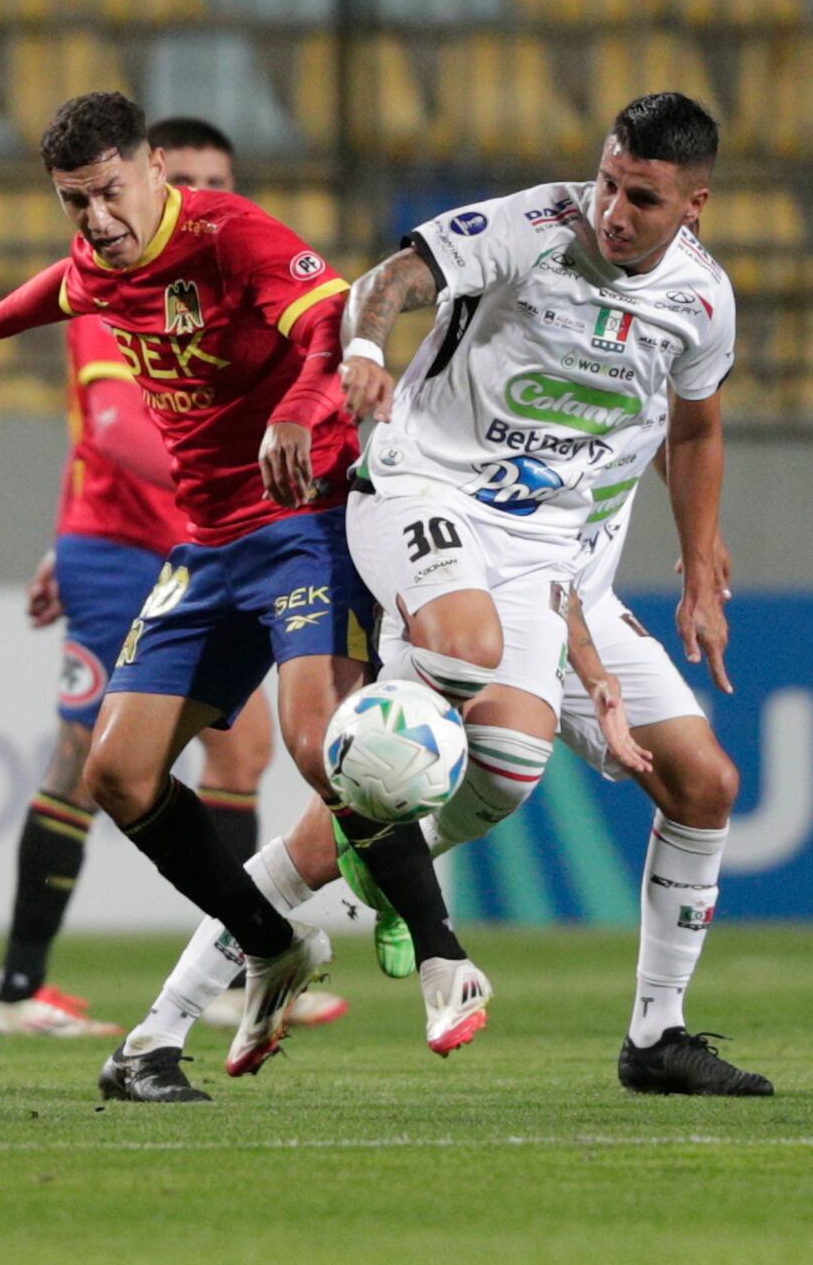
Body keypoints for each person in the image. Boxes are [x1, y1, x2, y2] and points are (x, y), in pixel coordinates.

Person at [111, 92, 773, 1099]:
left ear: (695, 205)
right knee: (460, 677)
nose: (611, 208)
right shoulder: (534, 226)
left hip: (561, 573)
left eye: (640, 196)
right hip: (429, 494)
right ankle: (411, 918)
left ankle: (655, 1034)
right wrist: (367, 353)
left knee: (697, 783)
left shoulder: (704, 300)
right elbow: (387, 280)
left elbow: (696, 429)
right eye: (606, 180)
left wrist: (703, 551)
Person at [0, 93, 459, 1103]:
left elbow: (336, 326)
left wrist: (295, 415)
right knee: (115, 770)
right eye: (74, 200)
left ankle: (438, 952)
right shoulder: (99, 258)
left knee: (312, 740)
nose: (94, 218)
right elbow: (50, 291)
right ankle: (268, 942)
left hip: (302, 519)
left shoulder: (230, 233)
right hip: (204, 545)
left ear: (154, 167)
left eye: (108, 191)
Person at [0, 117, 344, 1040]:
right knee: (85, 760)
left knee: (243, 750)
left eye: (218, 184)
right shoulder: (119, 274)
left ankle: (235, 959)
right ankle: (19, 984)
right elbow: (117, 429)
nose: (206, 200)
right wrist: (216, 510)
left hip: (208, 544)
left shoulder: (224, 253)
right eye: (190, 178)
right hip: (130, 546)